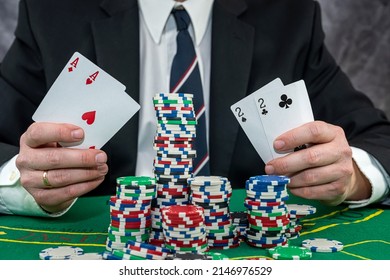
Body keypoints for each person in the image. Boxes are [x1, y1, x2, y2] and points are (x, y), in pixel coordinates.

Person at [0, 0, 389, 217]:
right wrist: (24, 181)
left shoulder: (288, 13)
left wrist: (353, 175)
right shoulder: (52, 10)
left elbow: (379, 139)